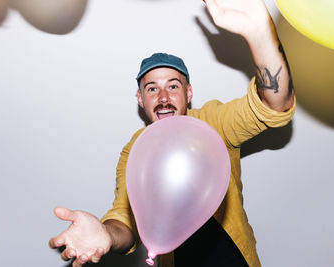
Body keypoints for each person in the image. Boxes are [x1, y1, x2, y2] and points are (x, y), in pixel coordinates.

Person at [48, 0, 296, 266]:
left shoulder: (211, 122)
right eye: (152, 88)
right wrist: (105, 234)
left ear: (188, 93)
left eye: (173, 86)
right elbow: (124, 220)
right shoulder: (135, 151)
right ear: (140, 99)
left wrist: (260, 35)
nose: (163, 97)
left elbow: (274, 104)